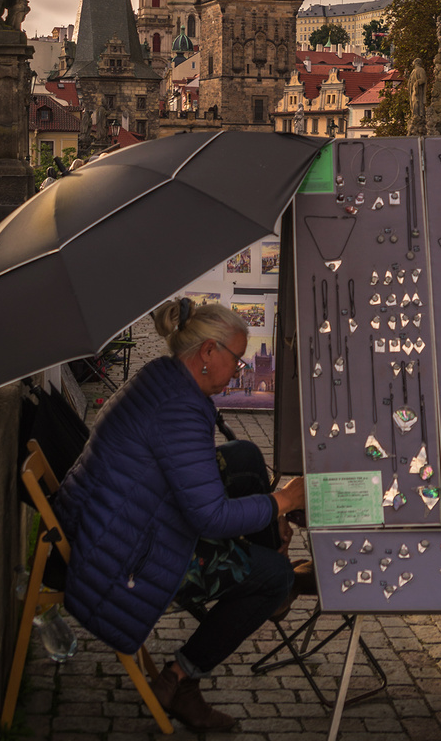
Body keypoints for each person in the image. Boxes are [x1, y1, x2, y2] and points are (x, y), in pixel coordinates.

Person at [55, 299, 306, 732]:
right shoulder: (178, 409)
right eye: (237, 359)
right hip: (124, 552)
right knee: (273, 576)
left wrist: (269, 513)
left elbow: (192, 482)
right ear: (207, 353)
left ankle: (271, 561)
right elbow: (209, 517)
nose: (241, 370)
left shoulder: (165, 379)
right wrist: (282, 503)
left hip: (122, 518)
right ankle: (180, 680)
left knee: (245, 456)